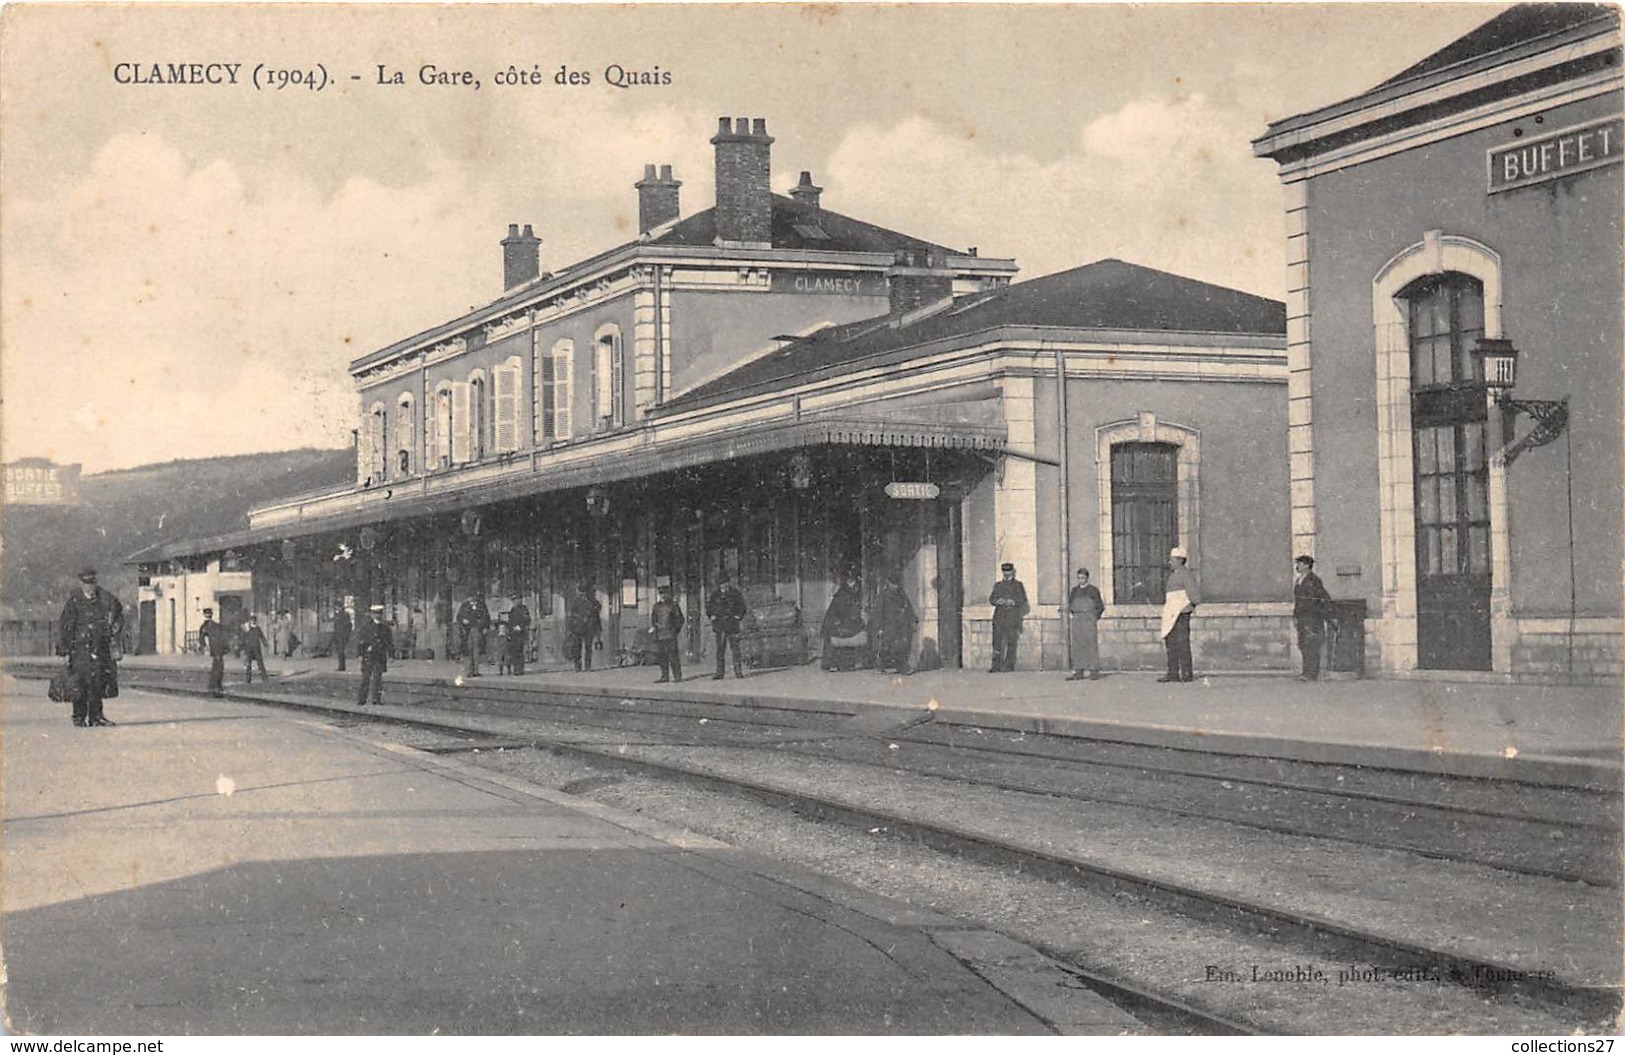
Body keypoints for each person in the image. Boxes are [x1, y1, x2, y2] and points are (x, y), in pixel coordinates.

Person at [57, 567, 123, 727]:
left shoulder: (106, 599)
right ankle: (78, 716)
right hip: (79, 650)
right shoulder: (74, 603)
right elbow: (66, 626)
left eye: (92, 583)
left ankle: (96, 716)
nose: (90, 587)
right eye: (86, 583)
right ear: (81, 584)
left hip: (100, 648)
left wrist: (115, 632)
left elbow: (118, 615)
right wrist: (64, 650)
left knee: (98, 682)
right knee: (79, 683)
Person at [1159, 547, 1200, 683]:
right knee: (1171, 642)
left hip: (1181, 613)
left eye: (1172, 559)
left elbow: (1194, 595)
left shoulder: (1185, 574)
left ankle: (1186, 674)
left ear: (1179, 560)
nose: (1170, 562)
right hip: (1171, 614)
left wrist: (1189, 606)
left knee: (1182, 643)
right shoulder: (1173, 574)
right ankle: (1173, 673)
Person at [1293, 555, 1333, 682]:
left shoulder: (1314, 580)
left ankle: (1311, 673)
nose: (1298, 566)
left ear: (1306, 565)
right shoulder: (1299, 580)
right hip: (1302, 618)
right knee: (1303, 644)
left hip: (1311, 618)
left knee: (1311, 644)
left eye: (1300, 563)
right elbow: (1297, 601)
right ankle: (1306, 672)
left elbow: (1320, 598)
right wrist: (1295, 616)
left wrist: (1318, 615)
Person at [820, 571, 866, 672]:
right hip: (837, 620)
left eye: (854, 583)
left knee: (853, 636)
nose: (853, 586)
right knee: (836, 639)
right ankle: (832, 663)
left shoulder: (858, 593)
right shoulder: (841, 594)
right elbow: (837, 610)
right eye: (850, 583)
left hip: (848, 620)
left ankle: (849, 662)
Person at [1066, 568, 1107, 681]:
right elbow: (1070, 605)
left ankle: (1093, 670)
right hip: (1077, 620)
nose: (1081, 580)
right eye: (1079, 578)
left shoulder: (1093, 590)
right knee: (1078, 645)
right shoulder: (1074, 591)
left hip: (1089, 620)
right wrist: (1074, 615)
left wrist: (1093, 617)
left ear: (1087, 578)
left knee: (1091, 644)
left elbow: (1100, 606)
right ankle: (1079, 671)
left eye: (1083, 578)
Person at [988, 562, 1029, 673]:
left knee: (1011, 642)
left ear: (1012, 572)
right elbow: (991, 599)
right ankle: (995, 666)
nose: (1006, 573)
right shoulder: (998, 585)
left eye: (1008, 571)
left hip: (1012, 618)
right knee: (996, 642)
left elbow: (1023, 601)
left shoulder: (1018, 585)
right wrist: (998, 601)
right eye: (1004, 571)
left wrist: (1013, 602)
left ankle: (1009, 666)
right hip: (999, 617)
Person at [873, 573, 917, 675]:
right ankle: (891, 666)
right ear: (889, 583)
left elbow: (908, 607)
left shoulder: (902, 594)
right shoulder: (884, 595)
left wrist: (913, 620)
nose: (896, 586)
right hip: (889, 625)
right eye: (893, 584)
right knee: (889, 647)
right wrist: (879, 627)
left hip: (901, 625)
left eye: (897, 584)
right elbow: (879, 612)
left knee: (899, 647)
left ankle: (901, 667)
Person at [707, 576, 747, 680]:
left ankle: (738, 672)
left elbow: (742, 606)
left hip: (732, 625)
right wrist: (712, 616)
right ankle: (720, 673)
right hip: (720, 626)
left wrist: (738, 616)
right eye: (722, 583)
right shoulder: (715, 595)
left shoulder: (735, 593)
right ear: (719, 585)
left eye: (726, 583)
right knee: (720, 650)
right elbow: (709, 607)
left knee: (735, 649)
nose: (724, 585)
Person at [355, 604, 393, 706]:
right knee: (365, 678)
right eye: (375, 613)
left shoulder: (385, 628)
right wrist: (360, 654)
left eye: (379, 613)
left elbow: (389, 642)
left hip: (379, 656)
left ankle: (376, 699)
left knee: (378, 679)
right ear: (371, 615)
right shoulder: (366, 627)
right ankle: (362, 699)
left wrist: (391, 655)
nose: (377, 616)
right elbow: (360, 641)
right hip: (368, 656)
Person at [649, 584, 685, 683]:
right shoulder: (656, 606)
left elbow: (680, 619)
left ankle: (677, 676)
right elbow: (653, 619)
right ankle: (664, 676)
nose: (663, 596)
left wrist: (675, 630)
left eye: (665, 593)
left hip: (670, 634)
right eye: (661, 594)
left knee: (673, 656)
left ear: (668, 594)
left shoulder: (673, 605)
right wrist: (654, 627)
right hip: (660, 634)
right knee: (662, 657)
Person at [565, 583, 601, 672]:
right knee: (577, 647)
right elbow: (571, 615)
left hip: (588, 628)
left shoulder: (592, 601)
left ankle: (587, 666)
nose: (583, 594)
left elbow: (597, 614)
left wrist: (598, 629)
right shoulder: (576, 602)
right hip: (578, 628)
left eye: (584, 592)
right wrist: (570, 628)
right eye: (581, 592)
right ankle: (578, 666)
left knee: (588, 648)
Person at [455, 592, 490, 678]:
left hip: (477, 629)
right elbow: (459, 617)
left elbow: (486, 617)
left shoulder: (481, 605)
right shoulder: (465, 605)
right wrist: (463, 620)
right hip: (467, 630)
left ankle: (476, 670)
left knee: (476, 650)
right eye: (471, 597)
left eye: (475, 597)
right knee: (468, 650)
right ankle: (469, 670)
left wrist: (484, 626)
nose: (473, 599)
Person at [199, 606, 229, 697]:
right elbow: (202, 638)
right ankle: (215, 685)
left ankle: (215, 684)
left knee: (218, 666)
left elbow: (202, 638)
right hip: (215, 648)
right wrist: (204, 647)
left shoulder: (213, 625)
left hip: (218, 648)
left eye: (209, 614)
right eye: (207, 614)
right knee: (217, 666)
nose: (208, 616)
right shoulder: (206, 626)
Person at [505, 594, 531, 676]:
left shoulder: (524, 609)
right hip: (513, 633)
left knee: (519, 651)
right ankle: (516, 669)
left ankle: (520, 669)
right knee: (514, 652)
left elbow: (527, 620)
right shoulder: (512, 609)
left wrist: (520, 627)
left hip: (521, 633)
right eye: (513, 600)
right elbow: (510, 621)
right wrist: (509, 631)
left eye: (517, 599)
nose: (515, 602)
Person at [241, 616, 269, 684]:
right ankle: (248, 679)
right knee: (248, 665)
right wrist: (243, 648)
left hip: (257, 649)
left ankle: (264, 678)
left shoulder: (258, 629)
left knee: (260, 664)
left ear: (255, 621)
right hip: (249, 649)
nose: (253, 621)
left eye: (254, 620)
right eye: (252, 620)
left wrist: (265, 644)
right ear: (250, 621)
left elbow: (262, 637)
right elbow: (244, 638)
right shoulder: (248, 629)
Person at [331, 604, 352, 672]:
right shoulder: (339, 615)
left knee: (341, 651)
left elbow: (348, 625)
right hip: (339, 635)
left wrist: (346, 634)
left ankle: (341, 666)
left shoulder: (343, 615)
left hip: (342, 635)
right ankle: (341, 666)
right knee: (340, 651)